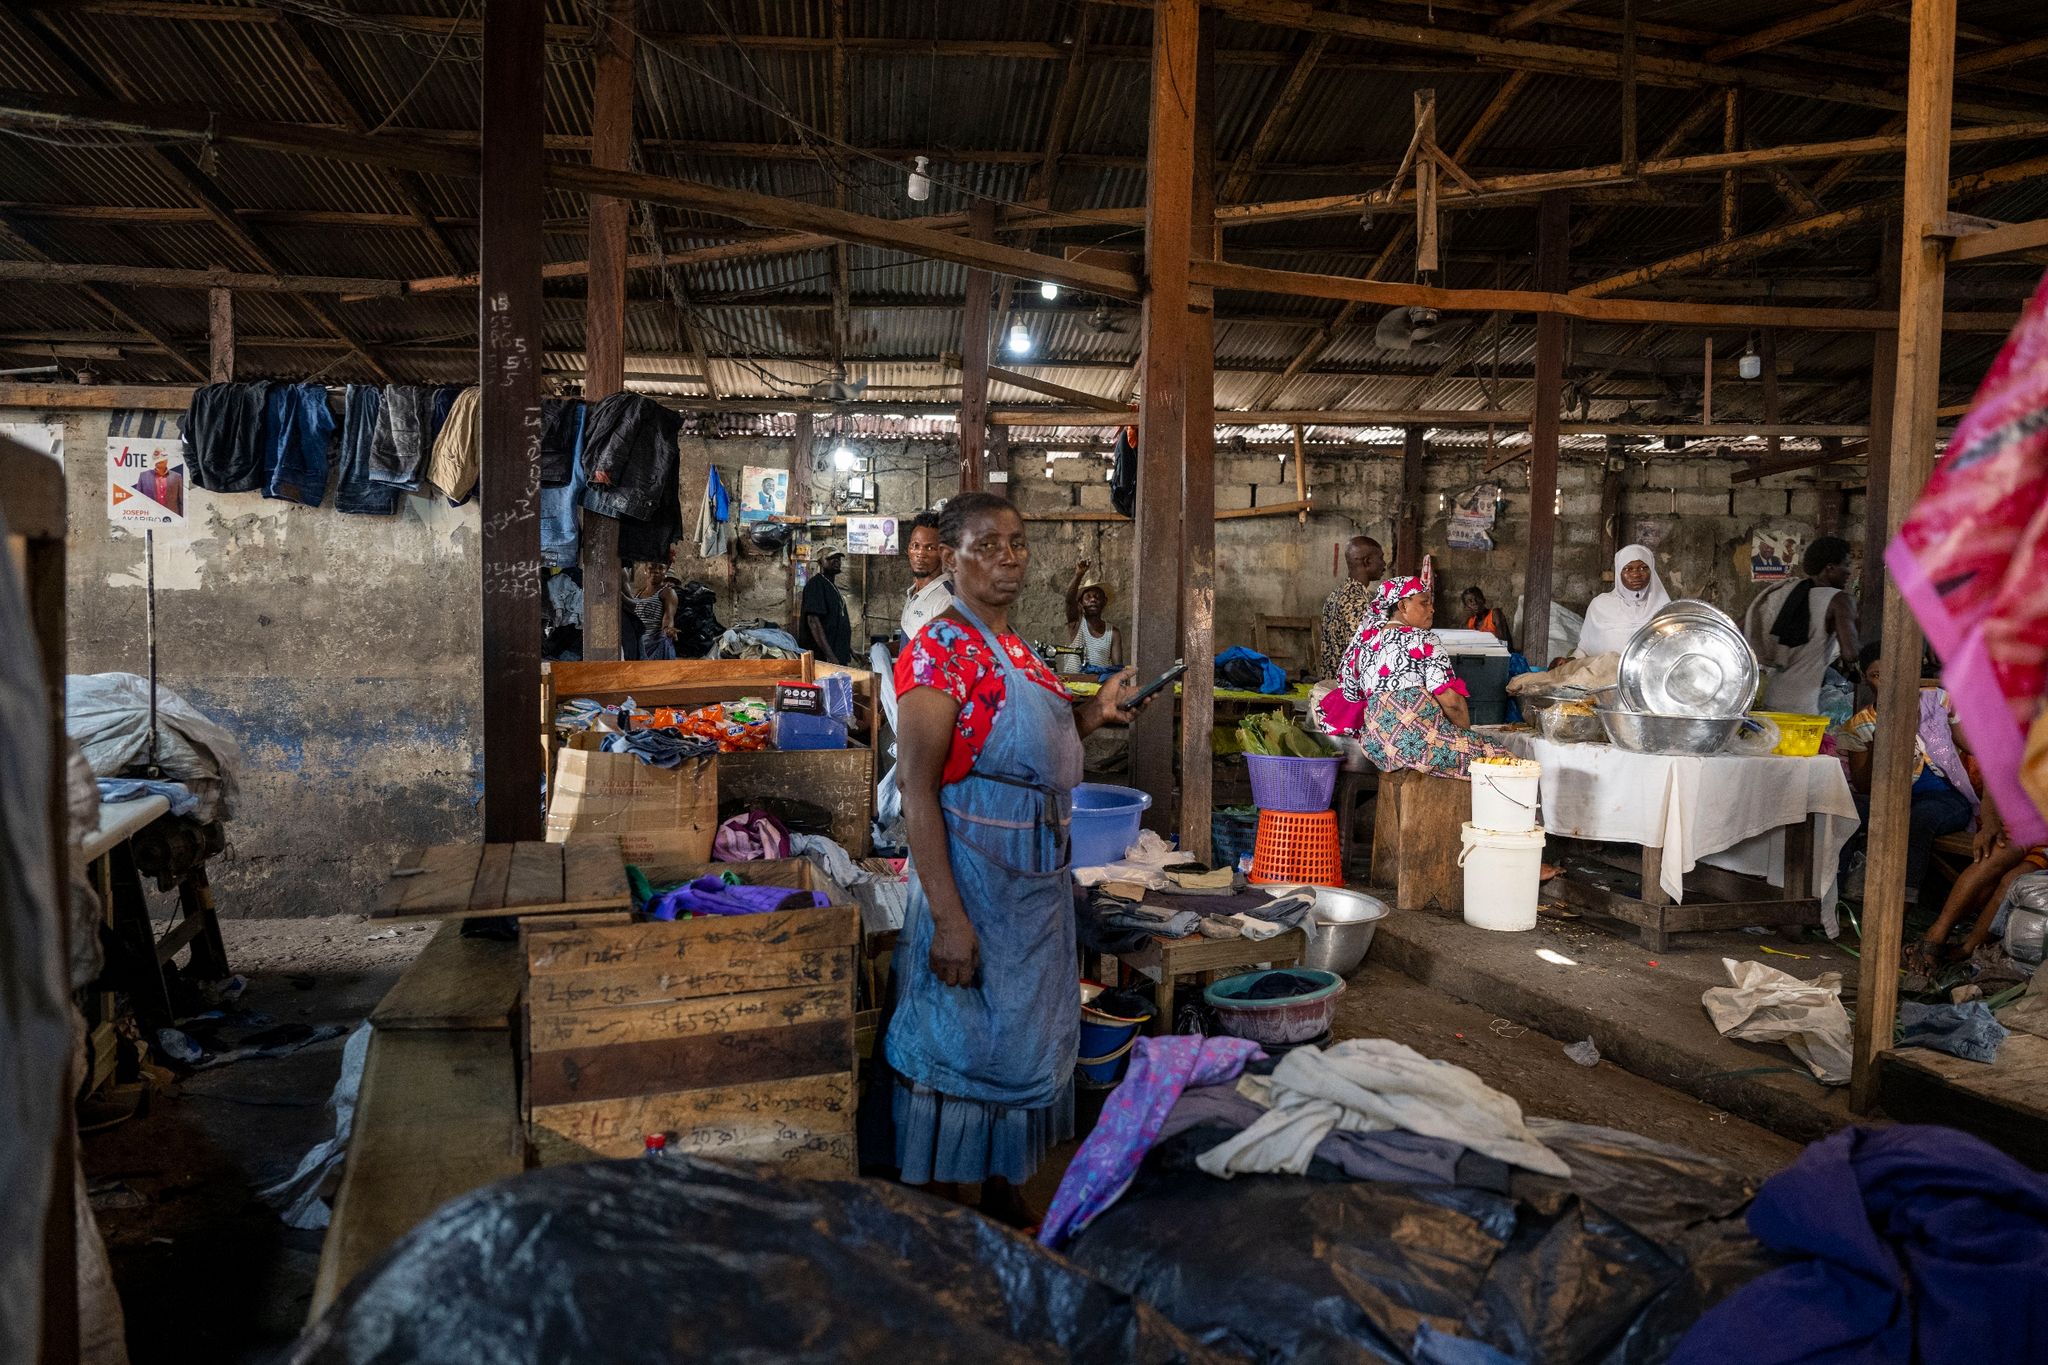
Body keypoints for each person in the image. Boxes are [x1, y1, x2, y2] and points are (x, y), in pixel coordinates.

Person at [887, 491, 1147, 1223]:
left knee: (1017, 1043)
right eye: (988, 544)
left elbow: (1039, 745)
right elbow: (917, 791)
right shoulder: (939, 648)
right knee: (962, 1045)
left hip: (1030, 890)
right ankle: (939, 1213)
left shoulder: (1022, 649)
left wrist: (1096, 711)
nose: (1009, 556)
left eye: (1018, 542)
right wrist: (948, 919)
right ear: (949, 557)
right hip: (973, 884)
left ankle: (1000, 1187)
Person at [1325, 576, 1512, 778]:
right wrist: (1465, 736)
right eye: (1424, 603)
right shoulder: (1423, 639)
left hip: (1377, 747)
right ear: (1403, 605)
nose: (1432, 609)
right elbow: (1451, 702)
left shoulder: (1367, 644)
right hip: (1415, 744)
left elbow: (1352, 693)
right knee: (1502, 758)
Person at [1839, 642, 1978, 908]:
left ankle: (1904, 899)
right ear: (1866, 680)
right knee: (1848, 808)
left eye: (1891, 673)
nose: (1885, 682)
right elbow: (1865, 786)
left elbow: (1972, 745)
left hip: (1947, 800)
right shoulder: (1860, 726)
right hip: (1892, 801)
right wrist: (1878, 746)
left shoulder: (1936, 700)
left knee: (1920, 817)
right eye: (1875, 675)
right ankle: (1836, 892)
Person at [1746, 535, 1859, 715]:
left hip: (1771, 698)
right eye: (1845, 564)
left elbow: (1744, 624)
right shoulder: (1840, 601)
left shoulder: (1790, 594)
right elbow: (1850, 653)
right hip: (1800, 707)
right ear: (1830, 568)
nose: (1849, 572)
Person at [1575, 544, 1670, 657]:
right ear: (1619, 572)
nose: (1636, 575)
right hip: (1603, 670)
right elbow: (1585, 647)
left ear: (1652, 571)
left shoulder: (1664, 608)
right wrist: (1571, 659)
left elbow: (1673, 648)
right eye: (1628, 569)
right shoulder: (1600, 605)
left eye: (1643, 568)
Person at [1319, 535, 1386, 679]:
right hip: (1346, 687)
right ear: (1367, 562)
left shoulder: (1336, 594)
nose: (1384, 564)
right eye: (1380, 558)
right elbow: (1363, 651)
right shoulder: (1357, 601)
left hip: (1331, 681)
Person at [899, 511, 952, 646]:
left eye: (930, 547)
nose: (920, 554)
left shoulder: (946, 601)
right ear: (908, 549)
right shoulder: (915, 593)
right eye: (915, 546)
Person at [1064, 562, 1124, 670]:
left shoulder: (1113, 633)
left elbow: (1117, 668)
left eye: (1097, 597)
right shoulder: (1076, 624)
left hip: (1099, 685)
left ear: (1104, 601)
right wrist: (1079, 575)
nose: (1093, 600)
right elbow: (1069, 601)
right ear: (1081, 602)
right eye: (1088, 597)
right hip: (1073, 685)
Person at [799, 544, 852, 665]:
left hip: (835, 657)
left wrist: (850, 651)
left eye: (838, 558)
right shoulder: (816, 585)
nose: (836, 561)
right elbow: (813, 622)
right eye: (831, 558)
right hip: (823, 658)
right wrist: (831, 657)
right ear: (820, 562)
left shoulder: (831, 587)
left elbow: (834, 625)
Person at [619, 560, 677, 661]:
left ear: (666, 571)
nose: (656, 571)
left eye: (661, 568)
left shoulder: (667, 592)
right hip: (639, 646)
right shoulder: (638, 593)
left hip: (655, 647)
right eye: (652, 567)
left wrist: (667, 629)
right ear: (645, 569)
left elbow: (668, 616)